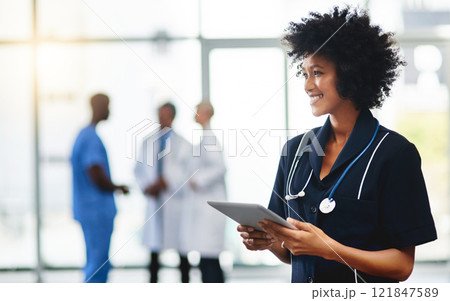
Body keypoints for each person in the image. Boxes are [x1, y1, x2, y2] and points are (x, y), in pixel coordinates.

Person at [237, 7, 437, 283]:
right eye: (304, 73)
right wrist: (267, 241)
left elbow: (401, 265)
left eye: (317, 72)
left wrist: (331, 250)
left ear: (350, 73)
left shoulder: (394, 153)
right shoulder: (295, 152)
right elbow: (290, 250)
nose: (308, 85)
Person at [71, 93, 129, 283]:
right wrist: (117, 187)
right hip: (96, 211)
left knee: (95, 262)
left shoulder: (84, 135)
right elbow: (95, 173)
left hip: (90, 210)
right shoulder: (91, 138)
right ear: (99, 107)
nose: (110, 110)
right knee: (98, 265)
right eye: (108, 106)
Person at [134, 102, 192, 283]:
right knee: (154, 253)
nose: (162, 119)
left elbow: (187, 173)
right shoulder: (147, 142)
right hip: (154, 201)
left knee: (181, 251)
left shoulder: (183, 144)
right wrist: (147, 186)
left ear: (173, 116)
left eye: (166, 115)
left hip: (174, 202)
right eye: (160, 114)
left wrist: (166, 181)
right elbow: (139, 170)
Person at [183, 100, 227, 282]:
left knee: (209, 260)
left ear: (206, 113)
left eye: (197, 110)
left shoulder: (209, 138)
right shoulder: (204, 138)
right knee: (207, 259)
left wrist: (197, 181)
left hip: (210, 211)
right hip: (204, 210)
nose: (194, 112)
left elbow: (220, 168)